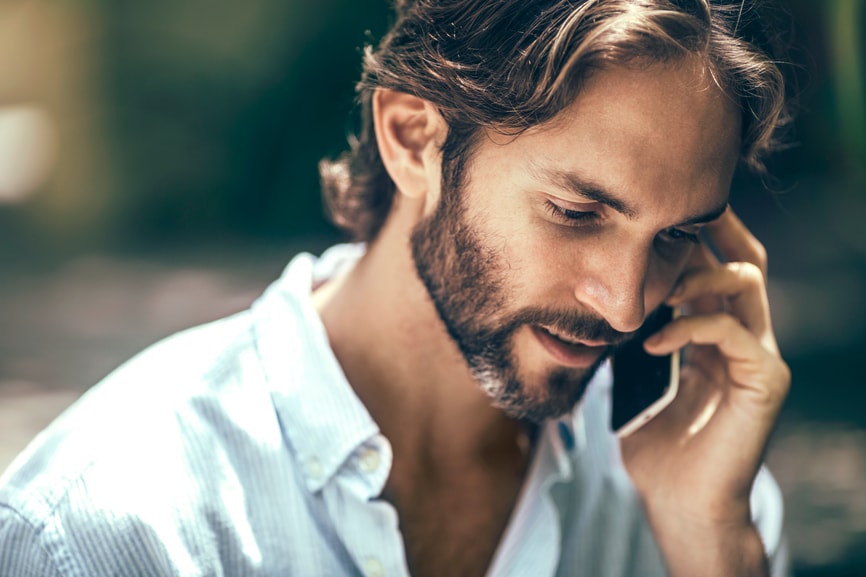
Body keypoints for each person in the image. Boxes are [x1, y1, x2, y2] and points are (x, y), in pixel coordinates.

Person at [0, 0, 794, 575]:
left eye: (677, 236)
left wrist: (715, 549)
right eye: (576, 212)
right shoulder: (101, 531)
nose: (624, 303)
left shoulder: (702, 501)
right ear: (414, 138)